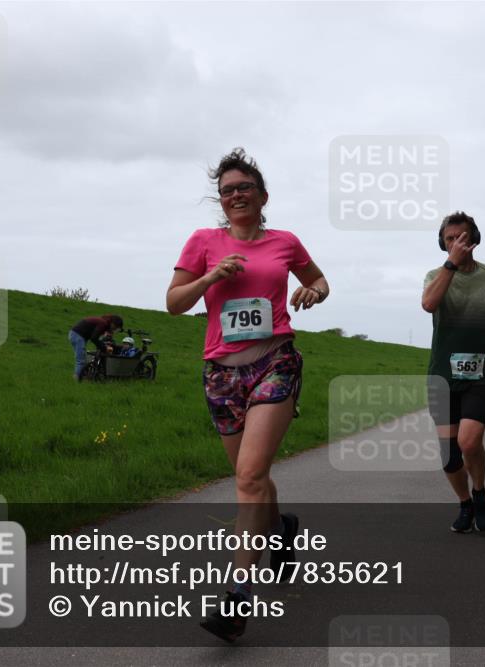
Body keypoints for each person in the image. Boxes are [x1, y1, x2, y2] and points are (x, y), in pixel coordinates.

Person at [166, 148, 329, 642]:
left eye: (245, 188)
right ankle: (281, 530)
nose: (236, 195)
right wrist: (211, 276)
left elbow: (318, 279)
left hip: (274, 361)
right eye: (227, 191)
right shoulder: (203, 242)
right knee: (250, 477)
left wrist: (313, 292)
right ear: (221, 201)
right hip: (221, 374)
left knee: (251, 476)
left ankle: (235, 596)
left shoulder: (285, 241)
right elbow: (173, 304)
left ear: (262, 196)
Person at [422, 211, 485, 534]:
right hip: (442, 375)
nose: (456, 244)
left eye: (462, 238)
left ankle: (479, 491)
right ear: (443, 243)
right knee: (450, 456)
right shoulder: (435, 275)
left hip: (480, 373)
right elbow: (428, 304)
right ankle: (466, 502)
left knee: (469, 442)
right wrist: (450, 265)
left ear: (474, 239)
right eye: (450, 239)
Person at [69, 314, 123, 380]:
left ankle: (82, 377)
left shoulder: (103, 322)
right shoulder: (103, 323)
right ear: (113, 323)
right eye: (116, 327)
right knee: (81, 360)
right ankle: (77, 379)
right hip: (78, 336)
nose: (115, 329)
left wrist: (102, 345)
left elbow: (95, 338)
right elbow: (94, 338)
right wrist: (104, 347)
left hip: (76, 335)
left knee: (82, 359)